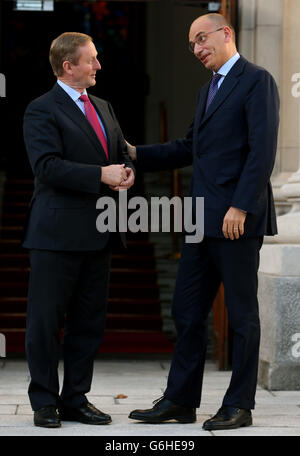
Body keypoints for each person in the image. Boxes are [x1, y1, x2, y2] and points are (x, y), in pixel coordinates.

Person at [126, 13, 279, 430]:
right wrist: (137, 154)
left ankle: (239, 406)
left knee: (242, 316)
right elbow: (189, 146)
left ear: (225, 33)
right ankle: (179, 400)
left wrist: (242, 206)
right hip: (200, 220)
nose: (196, 49)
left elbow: (262, 151)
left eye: (201, 39)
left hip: (235, 220)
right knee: (187, 312)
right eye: (191, 44)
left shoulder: (257, 80)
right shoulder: (208, 89)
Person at [23, 32, 135, 428]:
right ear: (68, 66)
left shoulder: (103, 106)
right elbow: (47, 167)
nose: (98, 66)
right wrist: (99, 175)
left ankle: (76, 398)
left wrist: (126, 172)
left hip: (101, 230)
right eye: (91, 60)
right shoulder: (41, 110)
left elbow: (121, 152)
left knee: (89, 322)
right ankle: (44, 402)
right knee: (45, 322)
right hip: (55, 234)